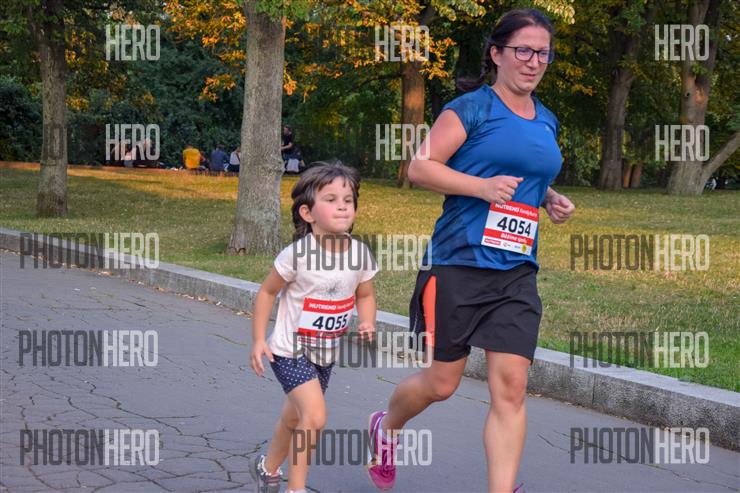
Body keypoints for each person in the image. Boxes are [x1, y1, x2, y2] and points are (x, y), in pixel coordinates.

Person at [366, 9, 575, 493]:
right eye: (523, 50)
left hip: (516, 269)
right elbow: (421, 167)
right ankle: (386, 427)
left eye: (543, 53)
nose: (533, 61)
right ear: (497, 54)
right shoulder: (471, 109)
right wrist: (481, 188)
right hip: (458, 262)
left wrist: (548, 197)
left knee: (512, 387)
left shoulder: (547, 119)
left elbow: (525, 172)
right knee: (442, 384)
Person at [249, 164, 378, 493]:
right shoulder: (298, 255)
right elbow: (267, 292)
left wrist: (367, 320)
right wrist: (258, 339)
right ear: (307, 213)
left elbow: (365, 294)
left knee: (295, 417)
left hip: (325, 353)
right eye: (331, 199)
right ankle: (297, 488)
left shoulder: (360, 254)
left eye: (348, 200)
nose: (342, 206)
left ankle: (267, 468)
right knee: (315, 416)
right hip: (289, 351)